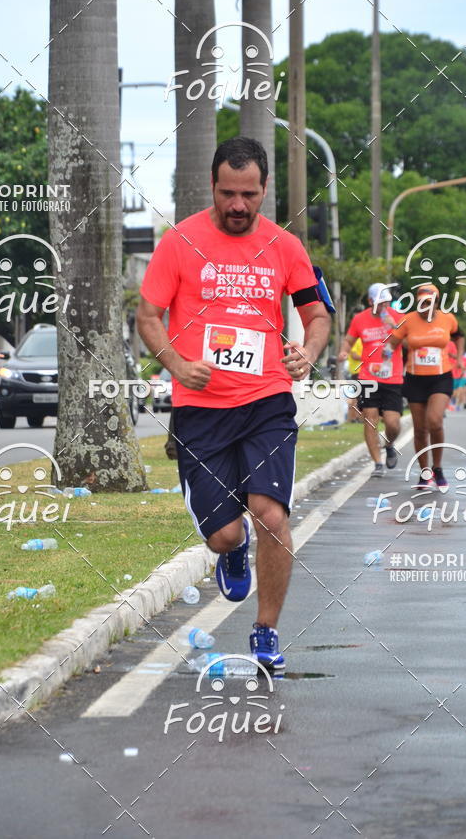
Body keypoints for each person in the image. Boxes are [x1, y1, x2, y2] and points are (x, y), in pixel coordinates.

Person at [137, 136, 331, 671]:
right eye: (228, 193)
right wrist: (177, 366)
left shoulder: (285, 247)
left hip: (267, 400)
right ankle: (232, 546)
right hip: (201, 409)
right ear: (213, 187)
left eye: (249, 194)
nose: (238, 205)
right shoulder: (179, 242)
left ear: (265, 189)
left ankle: (266, 631)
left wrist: (308, 352)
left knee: (271, 515)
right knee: (225, 532)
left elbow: (317, 315)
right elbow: (148, 317)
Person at [384, 284, 464, 490]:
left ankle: (437, 468)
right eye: (421, 302)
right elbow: (392, 344)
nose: (425, 306)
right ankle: (425, 472)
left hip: (441, 377)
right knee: (420, 430)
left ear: (437, 302)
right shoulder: (408, 320)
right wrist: (396, 344)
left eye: (429, 302)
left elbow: (459, 335)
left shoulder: (448, 319)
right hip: (415, 378)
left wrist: (460, 358)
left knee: (435, 421)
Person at [338, 283, 403, 476]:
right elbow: (349, 340)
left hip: (393, 376)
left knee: (393, 423)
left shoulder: (397, 317)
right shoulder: (360, 319)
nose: (383, 306)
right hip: (368, 376)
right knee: (370, 419)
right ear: (370, 301)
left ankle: (389, 445)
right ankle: (377, 464)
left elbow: (408, 343)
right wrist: (344, 351)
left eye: (386, 302)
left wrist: (395, 327)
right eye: (379, 303)